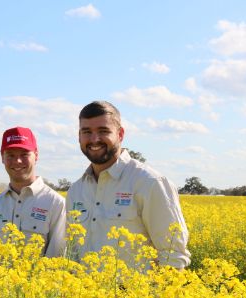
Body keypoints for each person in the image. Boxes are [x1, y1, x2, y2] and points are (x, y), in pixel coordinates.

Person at [66, 100, 190, 269]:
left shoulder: (150, 183)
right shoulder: (76, 191)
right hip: (86, 293)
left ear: (120, 134)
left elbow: (173, 255)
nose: (94, 139)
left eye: (103, 131)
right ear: (79, 136)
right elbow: (73, 254)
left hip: (136, 294)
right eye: (86, 132)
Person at [0, 127, 66, 257]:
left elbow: (57, 258)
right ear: (2, 157)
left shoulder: (56, 204)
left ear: (36, 155)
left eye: (24, 154)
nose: (17, 161)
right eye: (11, 155)